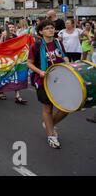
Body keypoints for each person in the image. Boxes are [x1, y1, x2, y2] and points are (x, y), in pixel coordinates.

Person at [27, 20, 69, 149]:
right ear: (41, 32)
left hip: (59, 79)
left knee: (66, 108)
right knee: (48, 109)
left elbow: (64, 57)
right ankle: (51, 136)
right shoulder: (36, 46)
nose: (51, 30)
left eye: (52, 28)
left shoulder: (58, 43)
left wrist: (67, 62)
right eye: (47, 28)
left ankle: (49, 123)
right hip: (43, 80)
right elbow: (29, 63)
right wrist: (39, 71)